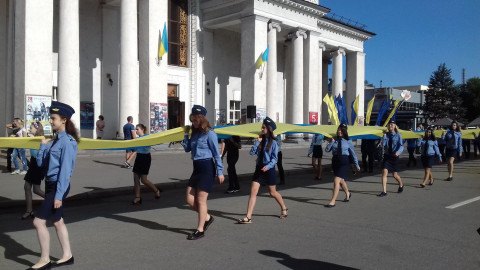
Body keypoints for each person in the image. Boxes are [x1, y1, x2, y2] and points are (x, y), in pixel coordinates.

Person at [29, 101, 78, 270]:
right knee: (57, 221)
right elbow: (42, 164)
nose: (50, 121)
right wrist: (43, 146)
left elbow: (66, 171)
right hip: (50, 184)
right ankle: (68, 255)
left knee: (38, 222)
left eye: (53, 118)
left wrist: (58, 195)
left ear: (64, 120)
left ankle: (44, 260)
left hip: (58, 186)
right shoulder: (55, 141)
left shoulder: (68, 142)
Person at [181, 105, 224, 240]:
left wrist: (220, 171)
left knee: (201, 200)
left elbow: (217, 154)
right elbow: (187, 149)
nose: (194, 122)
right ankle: (207, 217)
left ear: (202, 119)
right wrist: (186, 134)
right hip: (197, 168)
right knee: (189, 198)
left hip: (206, 167)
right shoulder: (195, 133)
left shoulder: (209, 133)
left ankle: (200, 230)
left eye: (196, 120)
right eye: (192, 120)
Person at [237, 117, 288, 224]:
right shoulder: (260, 140)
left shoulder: (274, 142)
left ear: (269, 129)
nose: (262, 129)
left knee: (272, 193)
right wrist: (256, 142)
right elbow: (251, 153)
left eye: (264, 127)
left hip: (268, 170)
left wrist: (268, 166)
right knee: (253, 192)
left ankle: (284, 207)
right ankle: (248, 217)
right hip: (259, 169)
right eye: (262, 127)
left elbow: (275, 158)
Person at [324, 124, 360, 207]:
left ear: (345, 131)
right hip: (335, 161)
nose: (339, 131)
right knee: (341, 181)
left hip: (344, 161)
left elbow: (353, 154)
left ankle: (333, 201)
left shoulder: (348, 141)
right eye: (339, 129)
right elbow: (327, 150)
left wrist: (357, 165)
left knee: (336, 180)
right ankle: (348, 193)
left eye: (342, 130)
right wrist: (331, 141)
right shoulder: (335, 140)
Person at [130, 124, 161, 205]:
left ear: (142, 129)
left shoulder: (147, 137)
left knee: (143, 180)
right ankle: (138, 197)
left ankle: (156, 190)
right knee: (136, 178)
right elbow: (135, 149)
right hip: (139, 158)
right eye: (135, 129)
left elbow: (155, 141)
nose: (136, 131)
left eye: (137, 129)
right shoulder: (137, 139)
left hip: (145, 158)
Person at [21, 121, 46, 220]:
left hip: (37, 165)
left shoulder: (41, 139)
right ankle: (29, 211)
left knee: (36, 190)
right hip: (33, 164)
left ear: (37, 129)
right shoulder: (33, 138)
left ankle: (52, 201)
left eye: (31, 128)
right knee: (27, 186)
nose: (29, 129)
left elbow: (43, 154)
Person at [378, 120, 404, 197]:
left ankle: (401, 184)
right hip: (387, 156)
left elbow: (401, 146)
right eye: (389, 125)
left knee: (395, 175)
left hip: (394, 156)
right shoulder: (386, 135)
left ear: (395, 126)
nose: (390, 126)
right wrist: (384, 136)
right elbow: (383, 144)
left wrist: (398, 152)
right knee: (384, 172)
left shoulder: (398, 135)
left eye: (392, 125)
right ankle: (384, 191)